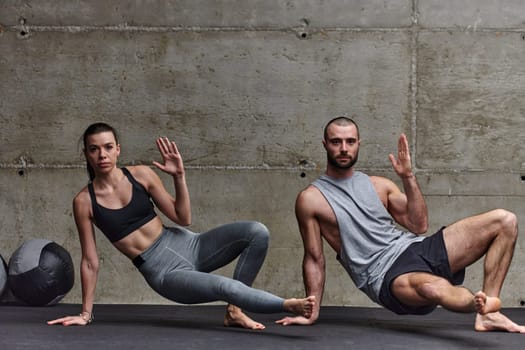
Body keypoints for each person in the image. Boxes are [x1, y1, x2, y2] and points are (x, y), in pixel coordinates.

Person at [48, 122, 315, 330]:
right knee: (223, 286)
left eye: (108, 147)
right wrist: (85, 313)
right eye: (94, 149)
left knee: (257, 232)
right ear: (86, 153)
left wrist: (179, 177)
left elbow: (183, 217)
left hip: (187, 244)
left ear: (118, 148)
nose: (102, 154)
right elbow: (90, 261)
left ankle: (235, 311)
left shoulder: (141, 175)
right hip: (164, 272)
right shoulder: (84, 201)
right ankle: (287, 304)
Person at [277, 116, 524, 333]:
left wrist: (407, 177)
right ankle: (476, 305)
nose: (343, 148)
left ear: (358, 144)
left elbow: (419, 225)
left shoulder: (379, 185)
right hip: (385, 273)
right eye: (336, 142)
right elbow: (314, 258)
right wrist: (312, 309)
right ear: (325, 145)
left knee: (505, 220)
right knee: (434, 288)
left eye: (350, 142)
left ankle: (489, 313)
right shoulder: (311, 199)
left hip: (416, 248)